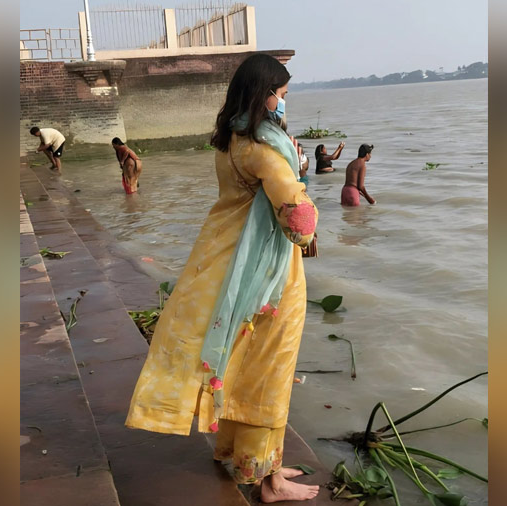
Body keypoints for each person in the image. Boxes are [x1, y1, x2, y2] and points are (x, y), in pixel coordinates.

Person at [125, 53, 320, 503]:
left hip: (227, 260)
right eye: (282, 96)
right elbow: (298, 220)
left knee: (242, 363)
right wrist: (303, 190)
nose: (283, 104)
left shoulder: (233, 139)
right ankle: (268, 480)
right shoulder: (266, 148)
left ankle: (239, 453)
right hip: (268, 272)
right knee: (269, 370)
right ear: (264, 94)